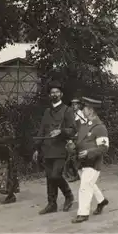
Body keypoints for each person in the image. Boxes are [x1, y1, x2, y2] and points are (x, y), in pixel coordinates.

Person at [33, 81, 76, 215]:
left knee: (55, 175)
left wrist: (61, 131)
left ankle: (68, 195)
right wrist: (36, 148)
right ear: (49, 95)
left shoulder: (67, 110)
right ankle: (52, 204)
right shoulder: (47, 111)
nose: (54, 94)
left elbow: (73, 130)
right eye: (52, 92)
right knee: (49, 177)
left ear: (61, 94)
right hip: (47, 149)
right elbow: (42, 130)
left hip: (61, 148)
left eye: (57, 92)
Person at [72, 97, 110, 223]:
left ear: (91, 111)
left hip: (93, 163)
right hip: (81, 162)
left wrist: (89, 152)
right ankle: (102, 201)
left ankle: (83, 213)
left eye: (85, 108)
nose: (83, 110)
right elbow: (79, 141)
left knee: (84, 187)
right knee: (89, 183)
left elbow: (104, 148)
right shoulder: (84, 126)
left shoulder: (100, 127)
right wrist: (72, 145)